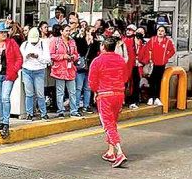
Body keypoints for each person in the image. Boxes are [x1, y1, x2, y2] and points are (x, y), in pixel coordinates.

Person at [89, 36, 130, 168]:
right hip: (119, 94)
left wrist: (95, 91)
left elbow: (92, 81)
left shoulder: (97, 61)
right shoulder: (121, 60)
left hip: (105, 95)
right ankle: (110, 151)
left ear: (103, 47)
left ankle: (119, 152)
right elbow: (125, 77)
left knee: (108, 124)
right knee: (113, 123)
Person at [50, 23, 81, 118]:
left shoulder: (72, 41)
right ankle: (60, 111)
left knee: (72, 91)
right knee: (60, 92)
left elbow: (76, 54)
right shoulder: (55, 41)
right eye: (66, 31)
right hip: (60, 69)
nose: (68, 32)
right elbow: (51, 55)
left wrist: (73, 57)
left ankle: (74, 110)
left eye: (69, 31)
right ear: (61, 32)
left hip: (70, 69)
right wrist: (63, 56)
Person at [139, 25, 175, 107]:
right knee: (152, 81)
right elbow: (147, 50)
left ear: (165, 33)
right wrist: (148, 59)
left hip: (161, 65)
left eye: (162, 31)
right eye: (159, 30)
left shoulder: (167, 41)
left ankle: (157, 98)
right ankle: (151, 97)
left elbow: (172, 51)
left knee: (158, 81)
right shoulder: (152, 40)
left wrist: (166, 57)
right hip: (152, 64)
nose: (160, 32)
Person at [19, 27, 50, 120]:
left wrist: (38, 57)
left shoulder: (43, 44)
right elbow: (20, 59)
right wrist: (27, 57)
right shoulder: (24, 44)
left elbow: (47, 59)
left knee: (40, 93)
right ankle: (29, 113)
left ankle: (43, 112)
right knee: (29, 93)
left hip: (39, 70)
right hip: (27, 70)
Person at [123, 24, 142, 109]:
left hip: (134, 65)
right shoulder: (123, 40)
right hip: (125, 66)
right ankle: (123, 100)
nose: (128, 31)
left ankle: (134, 101)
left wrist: (142, 62)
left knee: (135, 83)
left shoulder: (138, 41)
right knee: (124, 83)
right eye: (127, 29)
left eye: (130, 30)